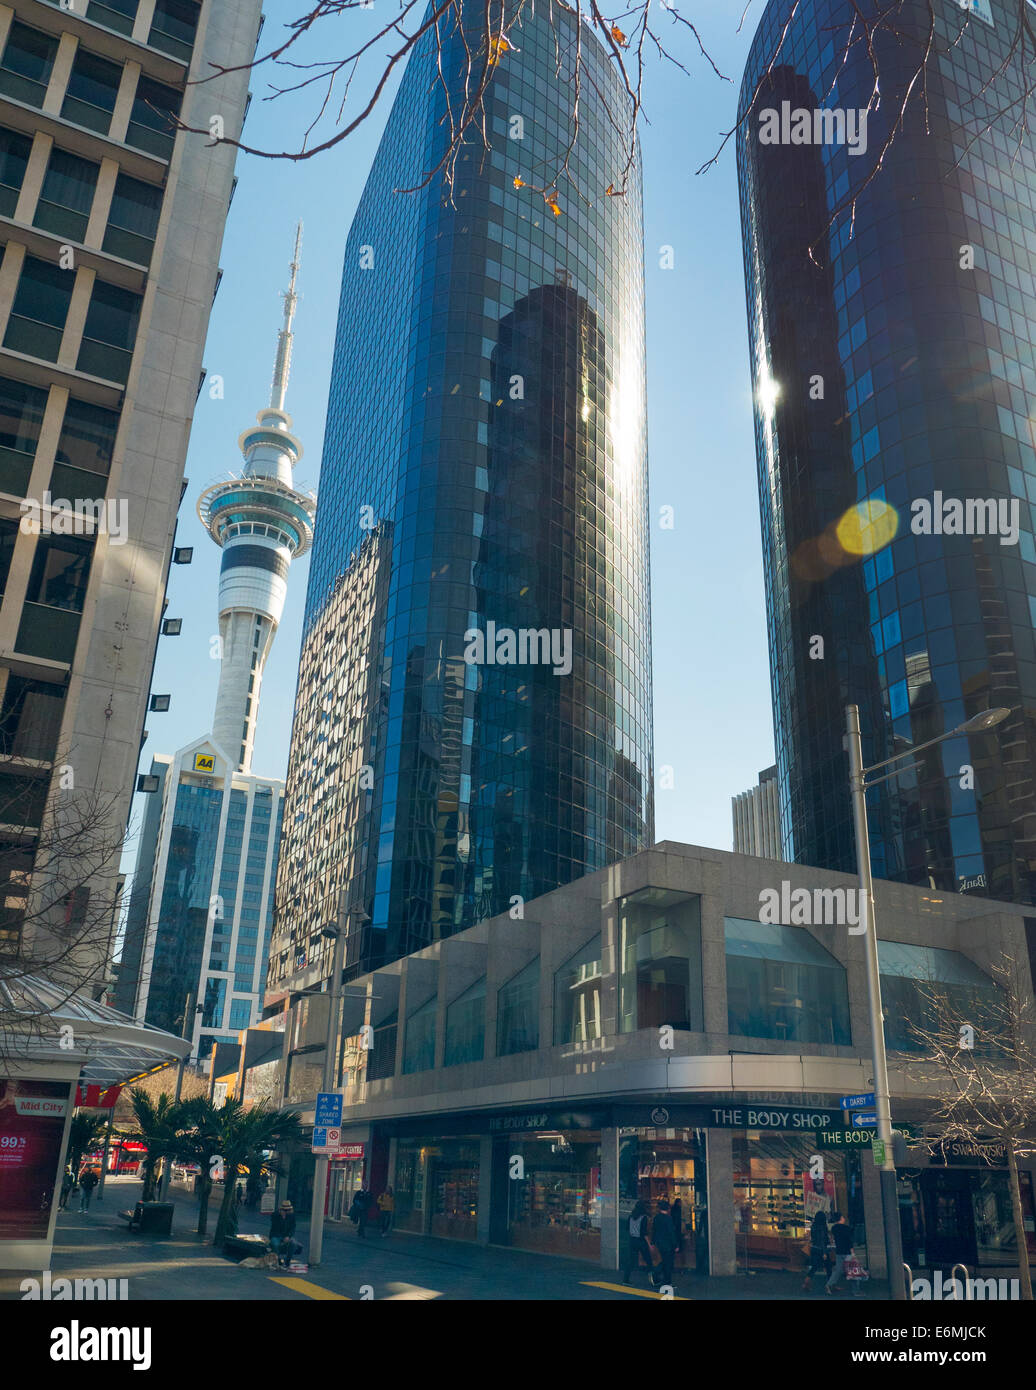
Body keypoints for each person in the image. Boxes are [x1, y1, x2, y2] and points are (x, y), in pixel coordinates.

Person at [622, 1200, 652, 1284]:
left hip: (632, 1240)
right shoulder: (644, 1217)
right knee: (648, 1260)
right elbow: (644, 1232)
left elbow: (627, 1228)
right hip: (641, 1241)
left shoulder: (631, 1216)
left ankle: (626, 1279)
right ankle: (653, 1278)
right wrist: (649, 1244)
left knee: (631, 1261)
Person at [650, 1199, 678, 1289]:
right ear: (668, 1208)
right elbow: (671, 1233)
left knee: (666, 1261)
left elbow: (654, 1230)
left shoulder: (656, 1218)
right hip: (668, 1244)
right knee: (668, 1262)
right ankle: (661, 1277)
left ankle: (663, 1279)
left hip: (660, 1243)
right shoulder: (668, 1219)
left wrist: (653, 1241)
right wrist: (676, 1245)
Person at [826, 1212, 855, 1294]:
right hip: (847, 1251)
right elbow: (849, 1240)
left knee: (838, 1270)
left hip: (839, 1251)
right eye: (843, 1217)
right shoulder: (846, 1228)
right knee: (852, 1270)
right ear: (841, 1218)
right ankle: (855, 1290)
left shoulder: (834, 1228)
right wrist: (852, 1251)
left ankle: (829, 1284)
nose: (844, 1218)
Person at [803, 1209, 830, 1291]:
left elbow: (814, 1239)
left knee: (814, 1267)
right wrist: (824, 1252)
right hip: (821, 1250)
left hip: (814, 1248)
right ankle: (830, 1284)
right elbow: (822, 1240)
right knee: (828, 1267)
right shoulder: (822, 1227)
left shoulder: (813, 1226)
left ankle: (806, 1282)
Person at [269, 1201, 296, 1267]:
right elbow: (275, 1228)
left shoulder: (291, 1216)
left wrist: (288, 1236)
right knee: (275, 1244)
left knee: (293, 1243)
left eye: (288, 1210)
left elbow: (292, 1228)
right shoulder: (275, 1215)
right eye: (285, 1210)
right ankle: (277, 1261)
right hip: (276, 1235)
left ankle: (287, 1261)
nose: (286, 1212)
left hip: (287, 1235)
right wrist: (282, 1217)